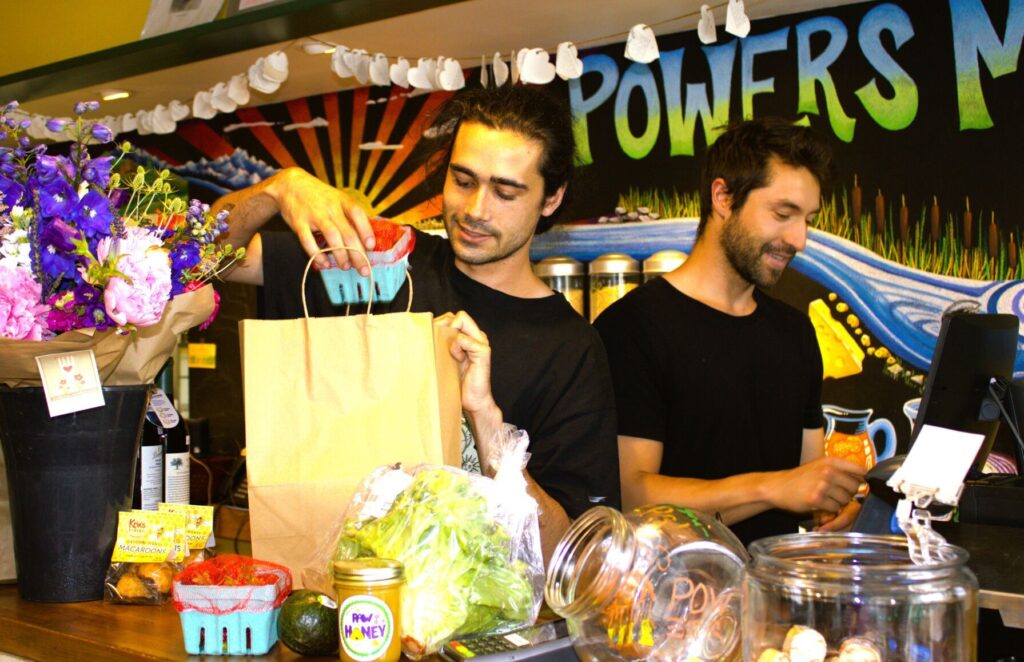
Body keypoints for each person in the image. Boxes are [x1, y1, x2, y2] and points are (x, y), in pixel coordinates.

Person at [213, 85, 620, 560]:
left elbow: (576, 559)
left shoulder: (571, 351)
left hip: (462, 627)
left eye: (505, 192)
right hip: (323, 596)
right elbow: (203, 262)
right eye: (463, 180)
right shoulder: (380, 264)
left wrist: (488, 424)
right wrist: (275, 191)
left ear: (551, 199)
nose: (475, 210)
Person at [593, 117, 865, 545]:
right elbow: (631, 495)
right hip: (673, 602)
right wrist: (771, 487)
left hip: (772, 597)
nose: (799, 239)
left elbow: (804, 483)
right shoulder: (632, 328)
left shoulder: (795, 332)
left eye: (807, 219)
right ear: (723, 197)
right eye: (782, 214)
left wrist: (830, 505)